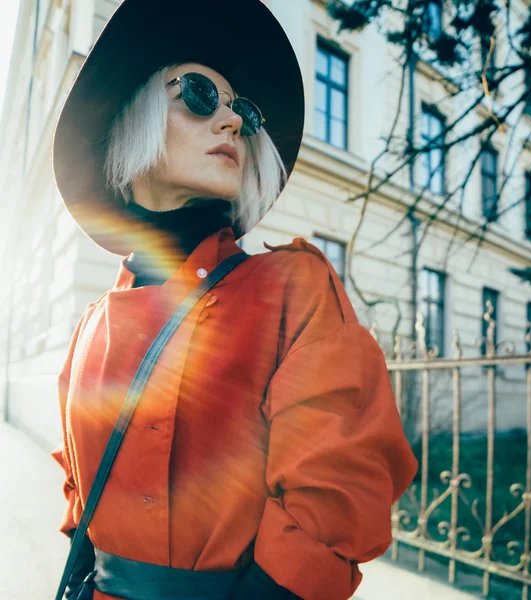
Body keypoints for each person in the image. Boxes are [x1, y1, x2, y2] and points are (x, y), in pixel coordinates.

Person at [50, 1, 418, 599]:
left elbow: (339, 490)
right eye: (199, 95)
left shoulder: (295, 288)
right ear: (134, 115)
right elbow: (78, 493)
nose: (232, 122)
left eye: (242, 110)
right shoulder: (93, 323)